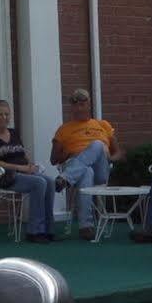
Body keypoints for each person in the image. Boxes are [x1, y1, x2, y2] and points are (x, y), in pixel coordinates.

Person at [51, 88, 123, 240]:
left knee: (97, 145)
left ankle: (64, 179)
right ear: (72, 107)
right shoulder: (64, 129)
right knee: (86, 171)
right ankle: (86, 227)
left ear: (89, 105)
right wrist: (69, 154)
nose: (79, 108)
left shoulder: (102, 125)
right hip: (76, 167)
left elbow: (119, 153)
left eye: (83, 104)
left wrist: (107, 157)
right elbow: (53, 159)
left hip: (101, 169)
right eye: (76, 105)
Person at [0, 100, 55, 243]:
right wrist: (20, 168)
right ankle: (34, 231)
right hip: (6, 177)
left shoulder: (14, 133)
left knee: (50, 182)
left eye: (7, 114)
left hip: (25, 173)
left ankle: (48, 230)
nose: (4, 118)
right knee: (39, 183)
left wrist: (30, 166)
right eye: (0, 114)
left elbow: (23, 155)